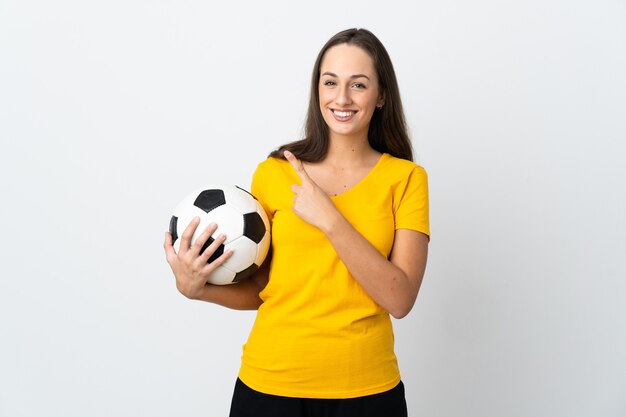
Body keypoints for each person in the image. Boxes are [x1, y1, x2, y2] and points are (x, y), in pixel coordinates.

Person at [164, 28, 430, 417]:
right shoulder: (275, 172)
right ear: (317, 89)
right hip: (269, 386)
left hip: (367, 391)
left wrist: (330, 220)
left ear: (381, 96)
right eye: (330, 82)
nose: (342, 98)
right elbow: (264, 290)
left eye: (358, 84)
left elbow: (400, 298)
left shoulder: (406, 179)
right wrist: (198, 289)